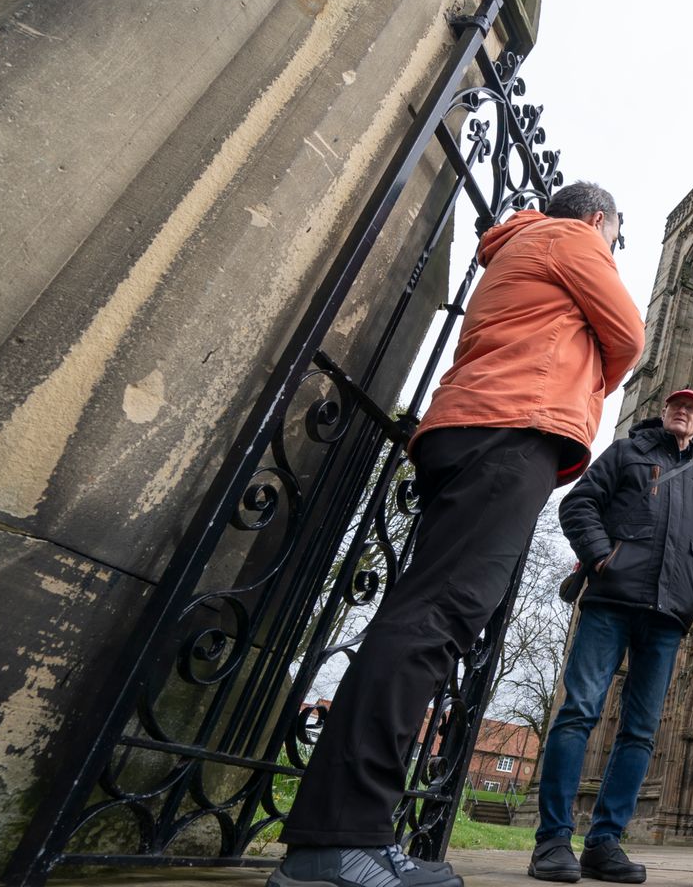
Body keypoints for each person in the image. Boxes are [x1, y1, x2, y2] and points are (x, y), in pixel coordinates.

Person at [271, 182, 644, 887]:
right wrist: (594, 376)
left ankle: (343, 831)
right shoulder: (572, 239)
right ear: (598, 220)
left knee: (423, 614)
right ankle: (338, 839)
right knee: (437, 618)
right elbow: (627, 333)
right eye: (616, 237)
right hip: (512, 426)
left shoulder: (521, 244)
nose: (612, 249)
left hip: (472, 425)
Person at [528, 388, 693, 884]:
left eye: (692, 408)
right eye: (674, 405)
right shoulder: (626, 452)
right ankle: (553, 839)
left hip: (668, 616)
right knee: (579, 712)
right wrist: (603, 559)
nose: (682, 411)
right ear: (663, 415)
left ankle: (604, 842)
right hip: (612, 603)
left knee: (641, 730)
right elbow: (578, 505)